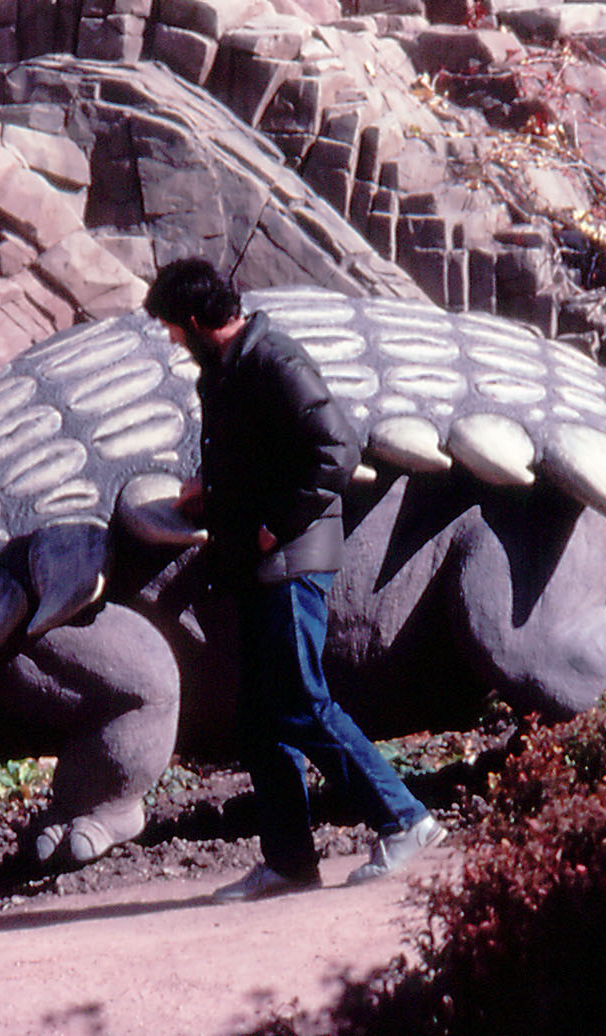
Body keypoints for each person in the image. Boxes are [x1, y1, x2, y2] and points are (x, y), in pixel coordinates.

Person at [144, 258, 445, 902]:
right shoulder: (230, 369)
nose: (170, 339)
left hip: (289, 560)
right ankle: (289, 862)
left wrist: (274, 526)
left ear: (194, 320)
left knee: (301, 702)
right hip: (261, 563)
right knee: (259, 717)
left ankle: (404, 819)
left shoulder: (274, 360)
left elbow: (337, 449)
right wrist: (212, 491)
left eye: (170, 327)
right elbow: (268, 455)